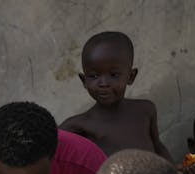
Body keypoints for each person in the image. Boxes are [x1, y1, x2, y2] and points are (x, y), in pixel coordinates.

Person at [59, 31, 173, 161]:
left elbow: (158, 147)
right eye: (94, 76)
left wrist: (174, 171)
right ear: (84, 80)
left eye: (113, 75)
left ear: (130, 76)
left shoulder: (145, 110)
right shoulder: (78, 126)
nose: (103, 83)